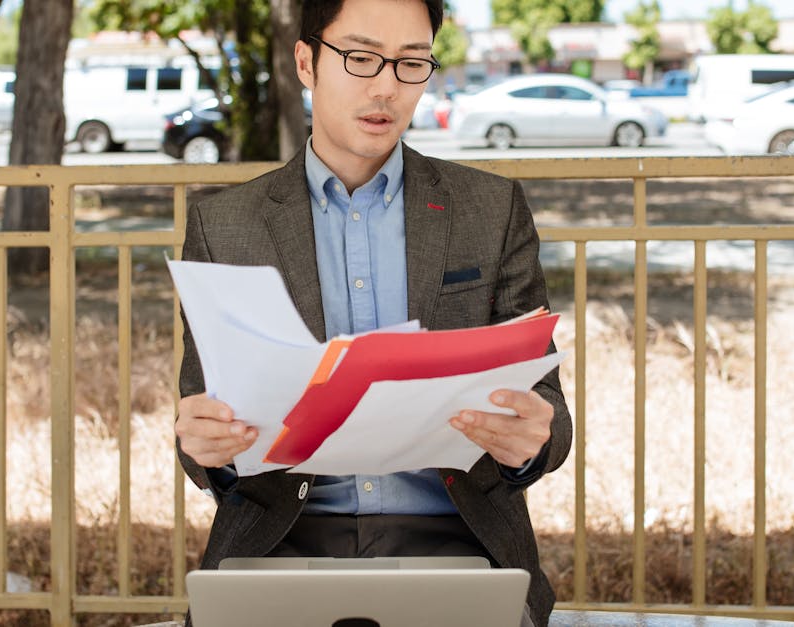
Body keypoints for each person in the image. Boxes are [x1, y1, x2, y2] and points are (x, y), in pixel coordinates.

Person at [174, 0, 571, 624]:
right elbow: (201, 415)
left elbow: (549, 410)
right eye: (360, 58)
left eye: (412, 63)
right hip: (282, 538)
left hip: (458, 538)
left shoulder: (488, 211)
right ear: (307, 61)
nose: (386, 85)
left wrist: (530, 442)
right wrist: (206, 449)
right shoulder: (226, 225)